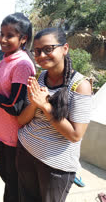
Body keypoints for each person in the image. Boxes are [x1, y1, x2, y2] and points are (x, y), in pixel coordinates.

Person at [16, 28, 92, 202]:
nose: (42, 55)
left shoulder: (80, 86)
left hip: (56, 167)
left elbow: (75, 135)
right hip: (26, 152)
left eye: (48, 49)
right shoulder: (40, 77)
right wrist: (35, 104)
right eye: (37, 51)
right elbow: (21, 120)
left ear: (65, 48)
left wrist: (45, 106)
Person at [0, 13, 36, 202]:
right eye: (1, 34)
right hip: (2, 133)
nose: (3, 39)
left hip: (14, 137)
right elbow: (7, 90)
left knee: (13, 184)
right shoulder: (6, 59)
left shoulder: (22, 65)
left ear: (23, 39)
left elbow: (15, 105)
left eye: (9, 35)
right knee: (7, 178)